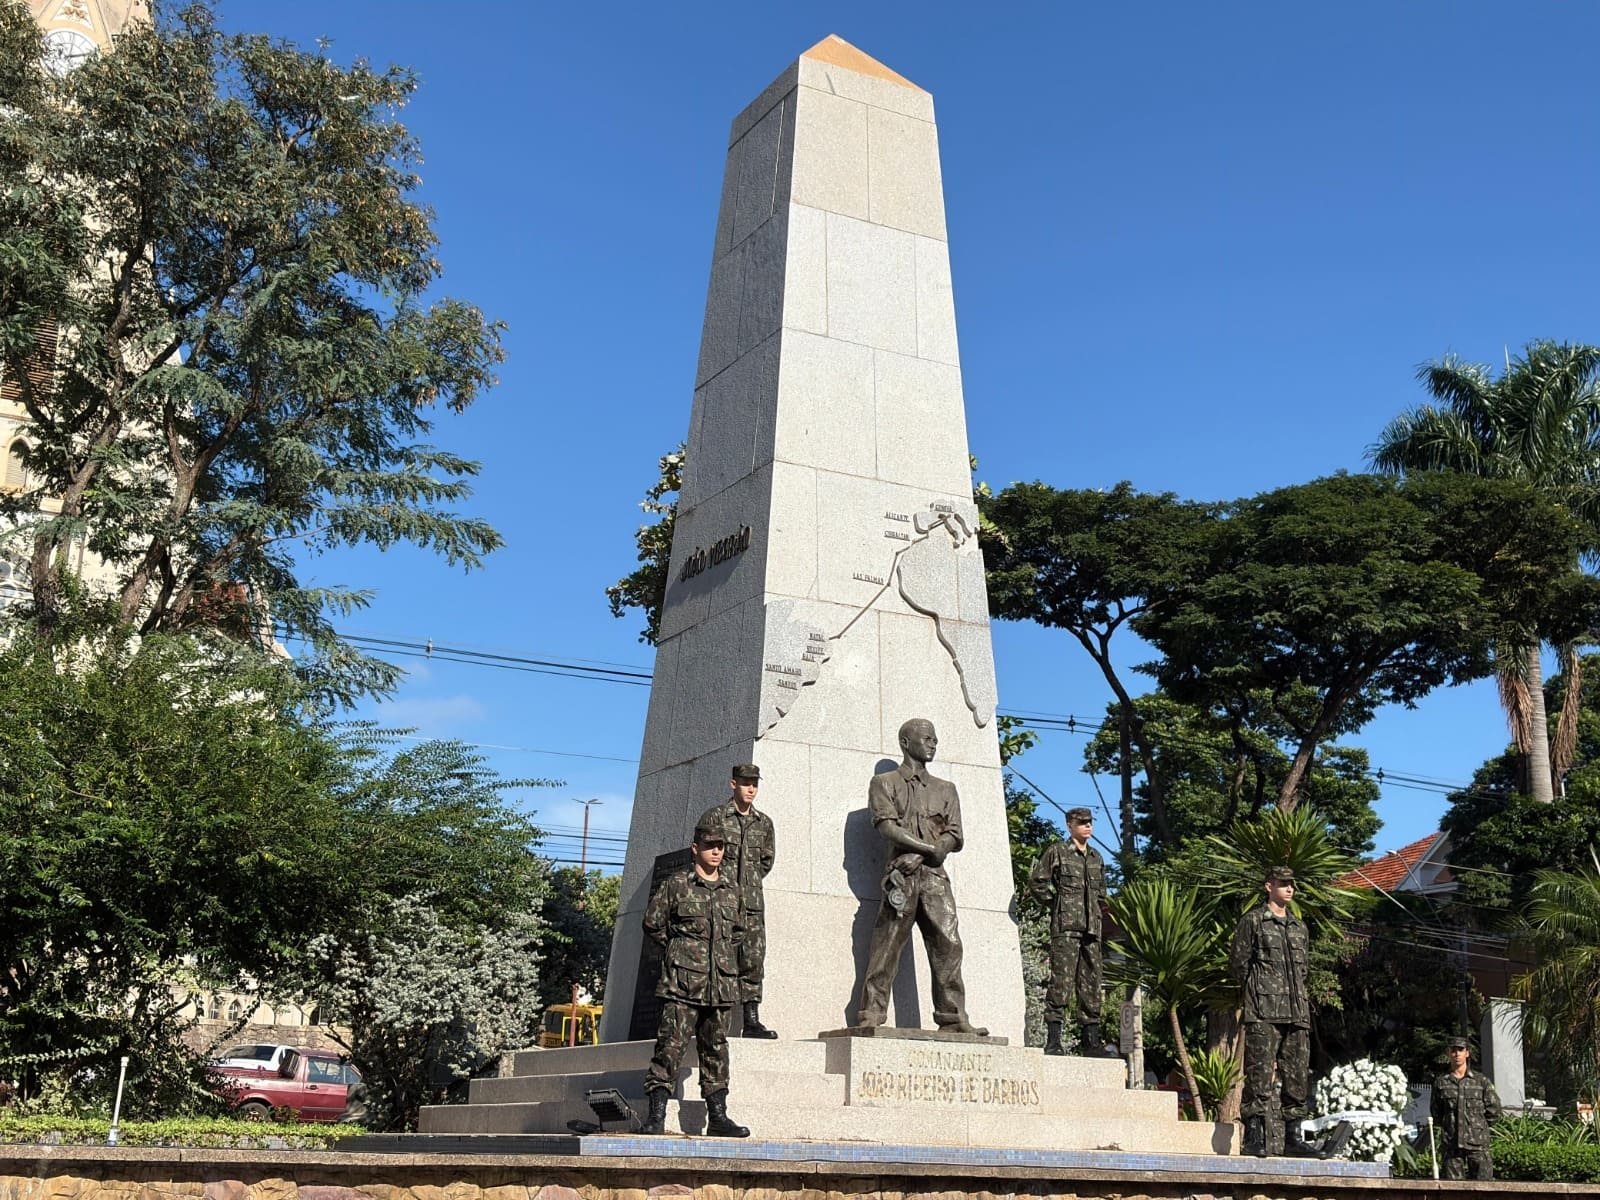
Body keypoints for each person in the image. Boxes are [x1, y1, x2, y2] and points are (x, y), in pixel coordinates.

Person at [856, 718, 987, 1035]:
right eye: (927, 738)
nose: (934, 743)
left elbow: (955, 835)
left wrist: (930, 852)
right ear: (905, 742)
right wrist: (927, 848)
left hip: (934, 878)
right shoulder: (884, 783)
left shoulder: (946, 789)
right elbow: (887, 826)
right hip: (901, 875)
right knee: (887, 945)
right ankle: (871, 1013)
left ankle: (953, 1017)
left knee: (949, 944)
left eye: (935, 738)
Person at [637, 820, 750, 1138]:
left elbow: (738, 932)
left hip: (720, 985)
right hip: (683, 984)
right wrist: (680, 951)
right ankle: (656, 1117)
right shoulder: (677, 884)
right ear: (695, 849)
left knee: (716, 1049)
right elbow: (652, 924)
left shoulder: (732, 889)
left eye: (721, 846)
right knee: (670, 1047)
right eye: (710, 846)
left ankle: (718, 1117)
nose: (717, 851)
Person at [1230, 865, 1319, 1158]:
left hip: (1296, 1012)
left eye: (1291, 883)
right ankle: (1254, 1137)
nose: (1289, 888)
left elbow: (1304, 969)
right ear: (1269, 886)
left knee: (1296, 1075)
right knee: (1259, 1073)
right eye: (1283, 883)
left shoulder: (1299, 927)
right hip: (1264, 1011)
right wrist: (1257, 993)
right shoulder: (1253, 921)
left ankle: (1294, 1137)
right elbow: (1239, 964)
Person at [695, 763, 778, 1038]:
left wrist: (748, 886)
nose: (751, 789)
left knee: (753, 959)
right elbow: (703, 857)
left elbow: (766, 861)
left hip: (752, 904)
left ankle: (751, 1020)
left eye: (755, 783)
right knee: (719, 958)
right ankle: (713, 1018)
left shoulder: (764, 823)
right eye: (745, 783)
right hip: (721, 903)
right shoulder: (715, 818)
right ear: (733, 784)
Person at [1028, 806, 1108, 1056]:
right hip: (1066, 927)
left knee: (1092, 983)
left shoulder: (1096, 857)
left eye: (1090, 822)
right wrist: (1056, 905)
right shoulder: (1058, 852)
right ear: (1070, 826)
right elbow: (1037, 882)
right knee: (1061, 982)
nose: (1088, 827)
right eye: (1082, 823)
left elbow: (1102, 893)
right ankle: (1053, 1039)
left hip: (1091, 929)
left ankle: (1091, 1041)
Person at [1432, 1036, 1501, 1180]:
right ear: (1448, 1053)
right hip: (1452, 1144)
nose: (1457, 1054)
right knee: (1453, 1191)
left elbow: (1494, 1111)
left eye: (1461, 1050)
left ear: (1467, 1053)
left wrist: (1478, 1128)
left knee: (1483, 1188)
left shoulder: (1481, 1081)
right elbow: (1436, 1113)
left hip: (1478, 1144)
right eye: (1453, 1050)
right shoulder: (1441, 1083)